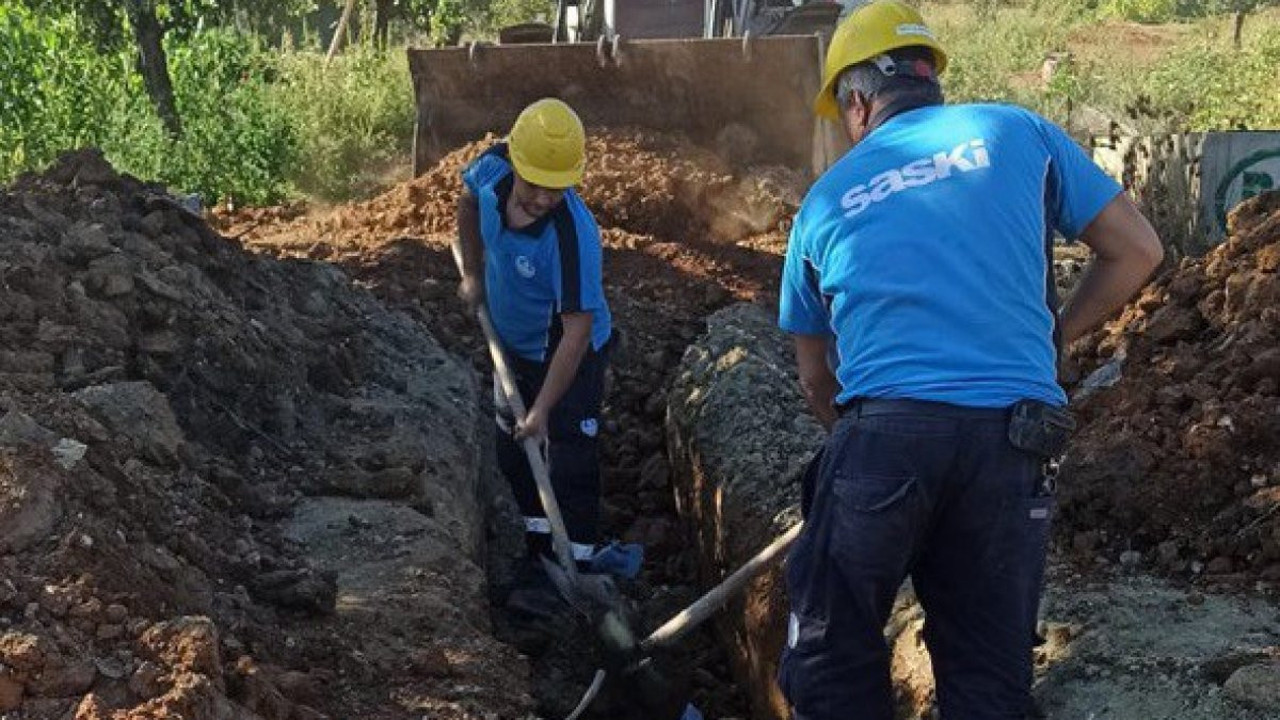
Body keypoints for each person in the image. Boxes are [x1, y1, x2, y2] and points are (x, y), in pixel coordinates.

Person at [776, 2, 1164, 718]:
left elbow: (813, 376)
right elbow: (1139, 251)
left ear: (858, 103)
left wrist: (871, 456)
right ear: (930, 80)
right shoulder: (1016, 131)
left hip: (884, 440)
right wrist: (1056, 332)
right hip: (1013, 443)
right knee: (988, 676)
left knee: (831, 656)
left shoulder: (826, 199)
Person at [454, 98, 616, 617]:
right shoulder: (490, 170)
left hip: (570, 356)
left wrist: (544, 408)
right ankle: (538, 551)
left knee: (568, 455)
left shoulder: (572, 235)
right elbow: (464, 202)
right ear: (516, 163)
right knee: (512, 449)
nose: (546, 197)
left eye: (558, 186)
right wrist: (474, 273)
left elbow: (576, 332)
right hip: (513, 346)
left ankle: (580, 567)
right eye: (536, 184)